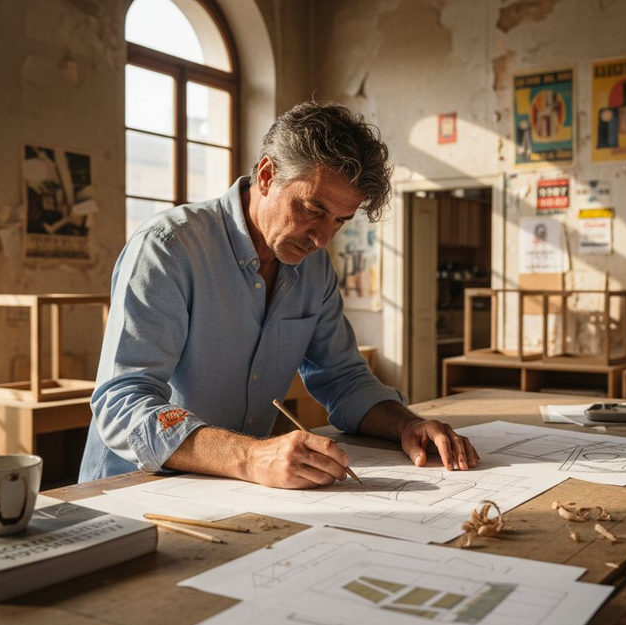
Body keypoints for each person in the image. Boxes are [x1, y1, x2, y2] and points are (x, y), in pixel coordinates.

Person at [78, 102, 479, 488]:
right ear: (267, 175)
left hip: (234, 486)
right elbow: (123, 404)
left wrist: (405, 424)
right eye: (312, 209)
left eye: (340, 221)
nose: (323, 239)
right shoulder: (168, 248)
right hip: (130, 489)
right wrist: (252, 457)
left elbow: (342, 378)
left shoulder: (313, 267)